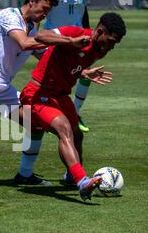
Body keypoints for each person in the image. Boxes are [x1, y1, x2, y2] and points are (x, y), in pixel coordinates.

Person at [0, 0, 90, 184]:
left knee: (35, 122)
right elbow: (24, 43)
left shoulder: (34, 28)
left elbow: (44, 56)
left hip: (4, 87)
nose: (44, 15)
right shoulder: (9, 16)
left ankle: (25, 174)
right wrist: (68, 41)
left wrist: (82, 70)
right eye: (44, 9)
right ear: (32, 1)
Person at [18, 12, 126, 200]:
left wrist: (83, 73)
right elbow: (40, 36)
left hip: (60, 96)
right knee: (64, 129)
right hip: (38, 94)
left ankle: (71, 176)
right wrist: (70, 41)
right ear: (99, 31)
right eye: (110, 41)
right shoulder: (75, 33)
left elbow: (70, 65)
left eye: (115, 43)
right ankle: (82, 181)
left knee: (77, 135)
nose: (111, 47)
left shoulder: (99, 50)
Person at [44, 0, 91, 134]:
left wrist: (88, 32)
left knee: (85, 72)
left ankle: (75, 113)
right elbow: (41, 10)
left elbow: (84, 11)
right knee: (53, 77)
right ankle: (47, 114)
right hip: (55, 36)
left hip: (77, 36)